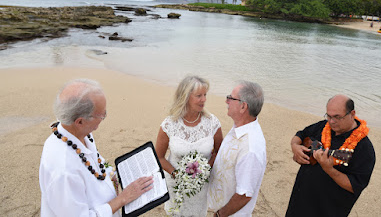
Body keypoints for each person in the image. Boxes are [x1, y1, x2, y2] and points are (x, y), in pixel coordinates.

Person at [39, 79, 154, 217]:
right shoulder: (64, 170)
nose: (104, 118)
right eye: (102, 115)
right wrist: (123, 198)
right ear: (80, 121)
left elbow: (95, 166)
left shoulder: (78, 133)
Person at [286, 94, 375, 217]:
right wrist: (295, 147)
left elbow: (355, 186)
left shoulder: (364, 149)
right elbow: (300, 135)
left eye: (337, 117)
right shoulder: (323, 126)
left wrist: (329, 169)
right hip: (299, 202)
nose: (332, 121)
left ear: (352, 114)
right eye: (329, 116)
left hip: (327, 210)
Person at [155, 75, 223, 216]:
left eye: (205, 95)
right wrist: (177, 174)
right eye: (199, 95)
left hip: (200, 187)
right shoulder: (169, 124)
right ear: (186, 97)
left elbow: (218, 152)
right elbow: (159, 157)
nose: (204, 99)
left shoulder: (212, 123)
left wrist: (204, 171)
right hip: (176, 185)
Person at [208, 81, 267, 216]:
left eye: (231, 98)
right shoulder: (239, 127)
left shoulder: (250, 148)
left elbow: (244, 194)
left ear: (243, 107)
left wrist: (220, 215)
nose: (226, 101)